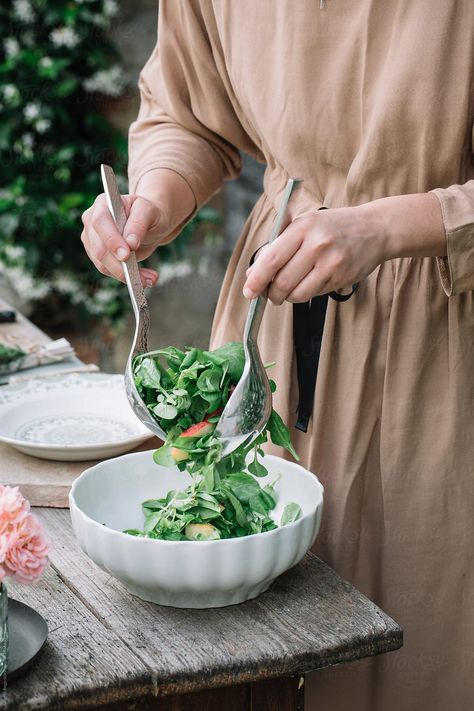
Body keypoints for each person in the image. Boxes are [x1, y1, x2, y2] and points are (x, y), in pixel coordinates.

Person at [80, 2, 474, 709]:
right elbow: (186, 109)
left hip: (447, 328)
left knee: (423, 636)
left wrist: (388, 226)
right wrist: (157, 200)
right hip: (271, 324)